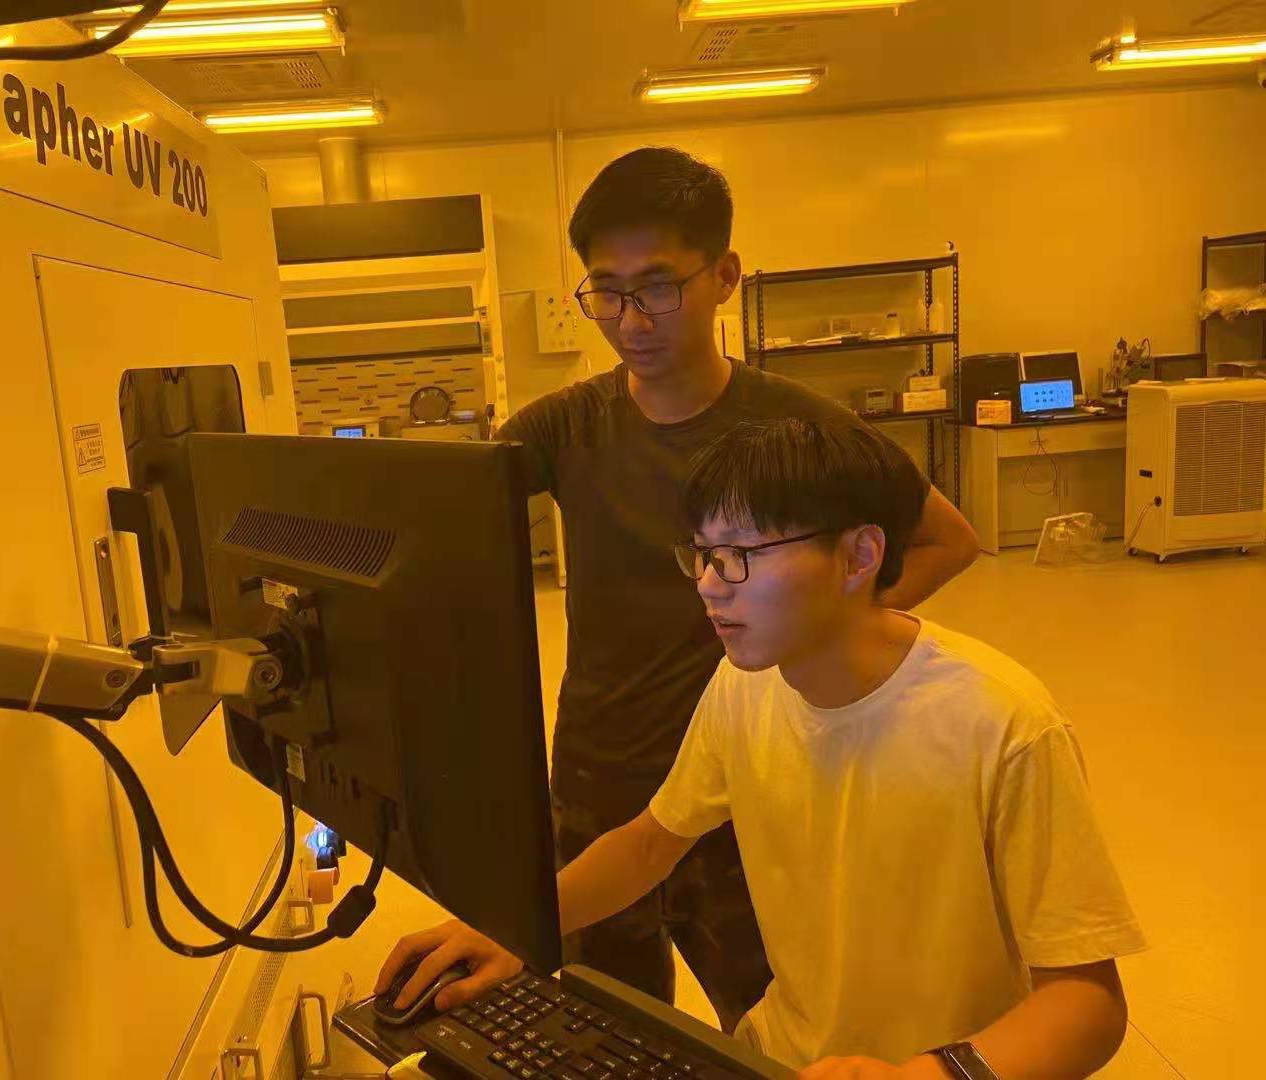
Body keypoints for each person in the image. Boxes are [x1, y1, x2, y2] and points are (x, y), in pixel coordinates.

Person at [378, 419, 1146, 1080]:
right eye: (703, 555)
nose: (710, 586)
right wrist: (514, 928)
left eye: (741, 553)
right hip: (780, 1053)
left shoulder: (1002, 722)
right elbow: (649, 845)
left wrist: (928, 1074)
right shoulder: (747, 685)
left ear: (860, 556)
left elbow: (1087, 1002)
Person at [489, 146, 980, 1033]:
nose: (631, 320)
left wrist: (827, 627)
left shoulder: (793, 428)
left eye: (658, 287)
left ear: (724, 276)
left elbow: (948, 538)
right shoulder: (568, 426)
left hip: (753, 777)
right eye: (608, 292)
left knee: (773, 1027)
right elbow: (436, 518)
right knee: (607, 1028)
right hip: (604, 775)